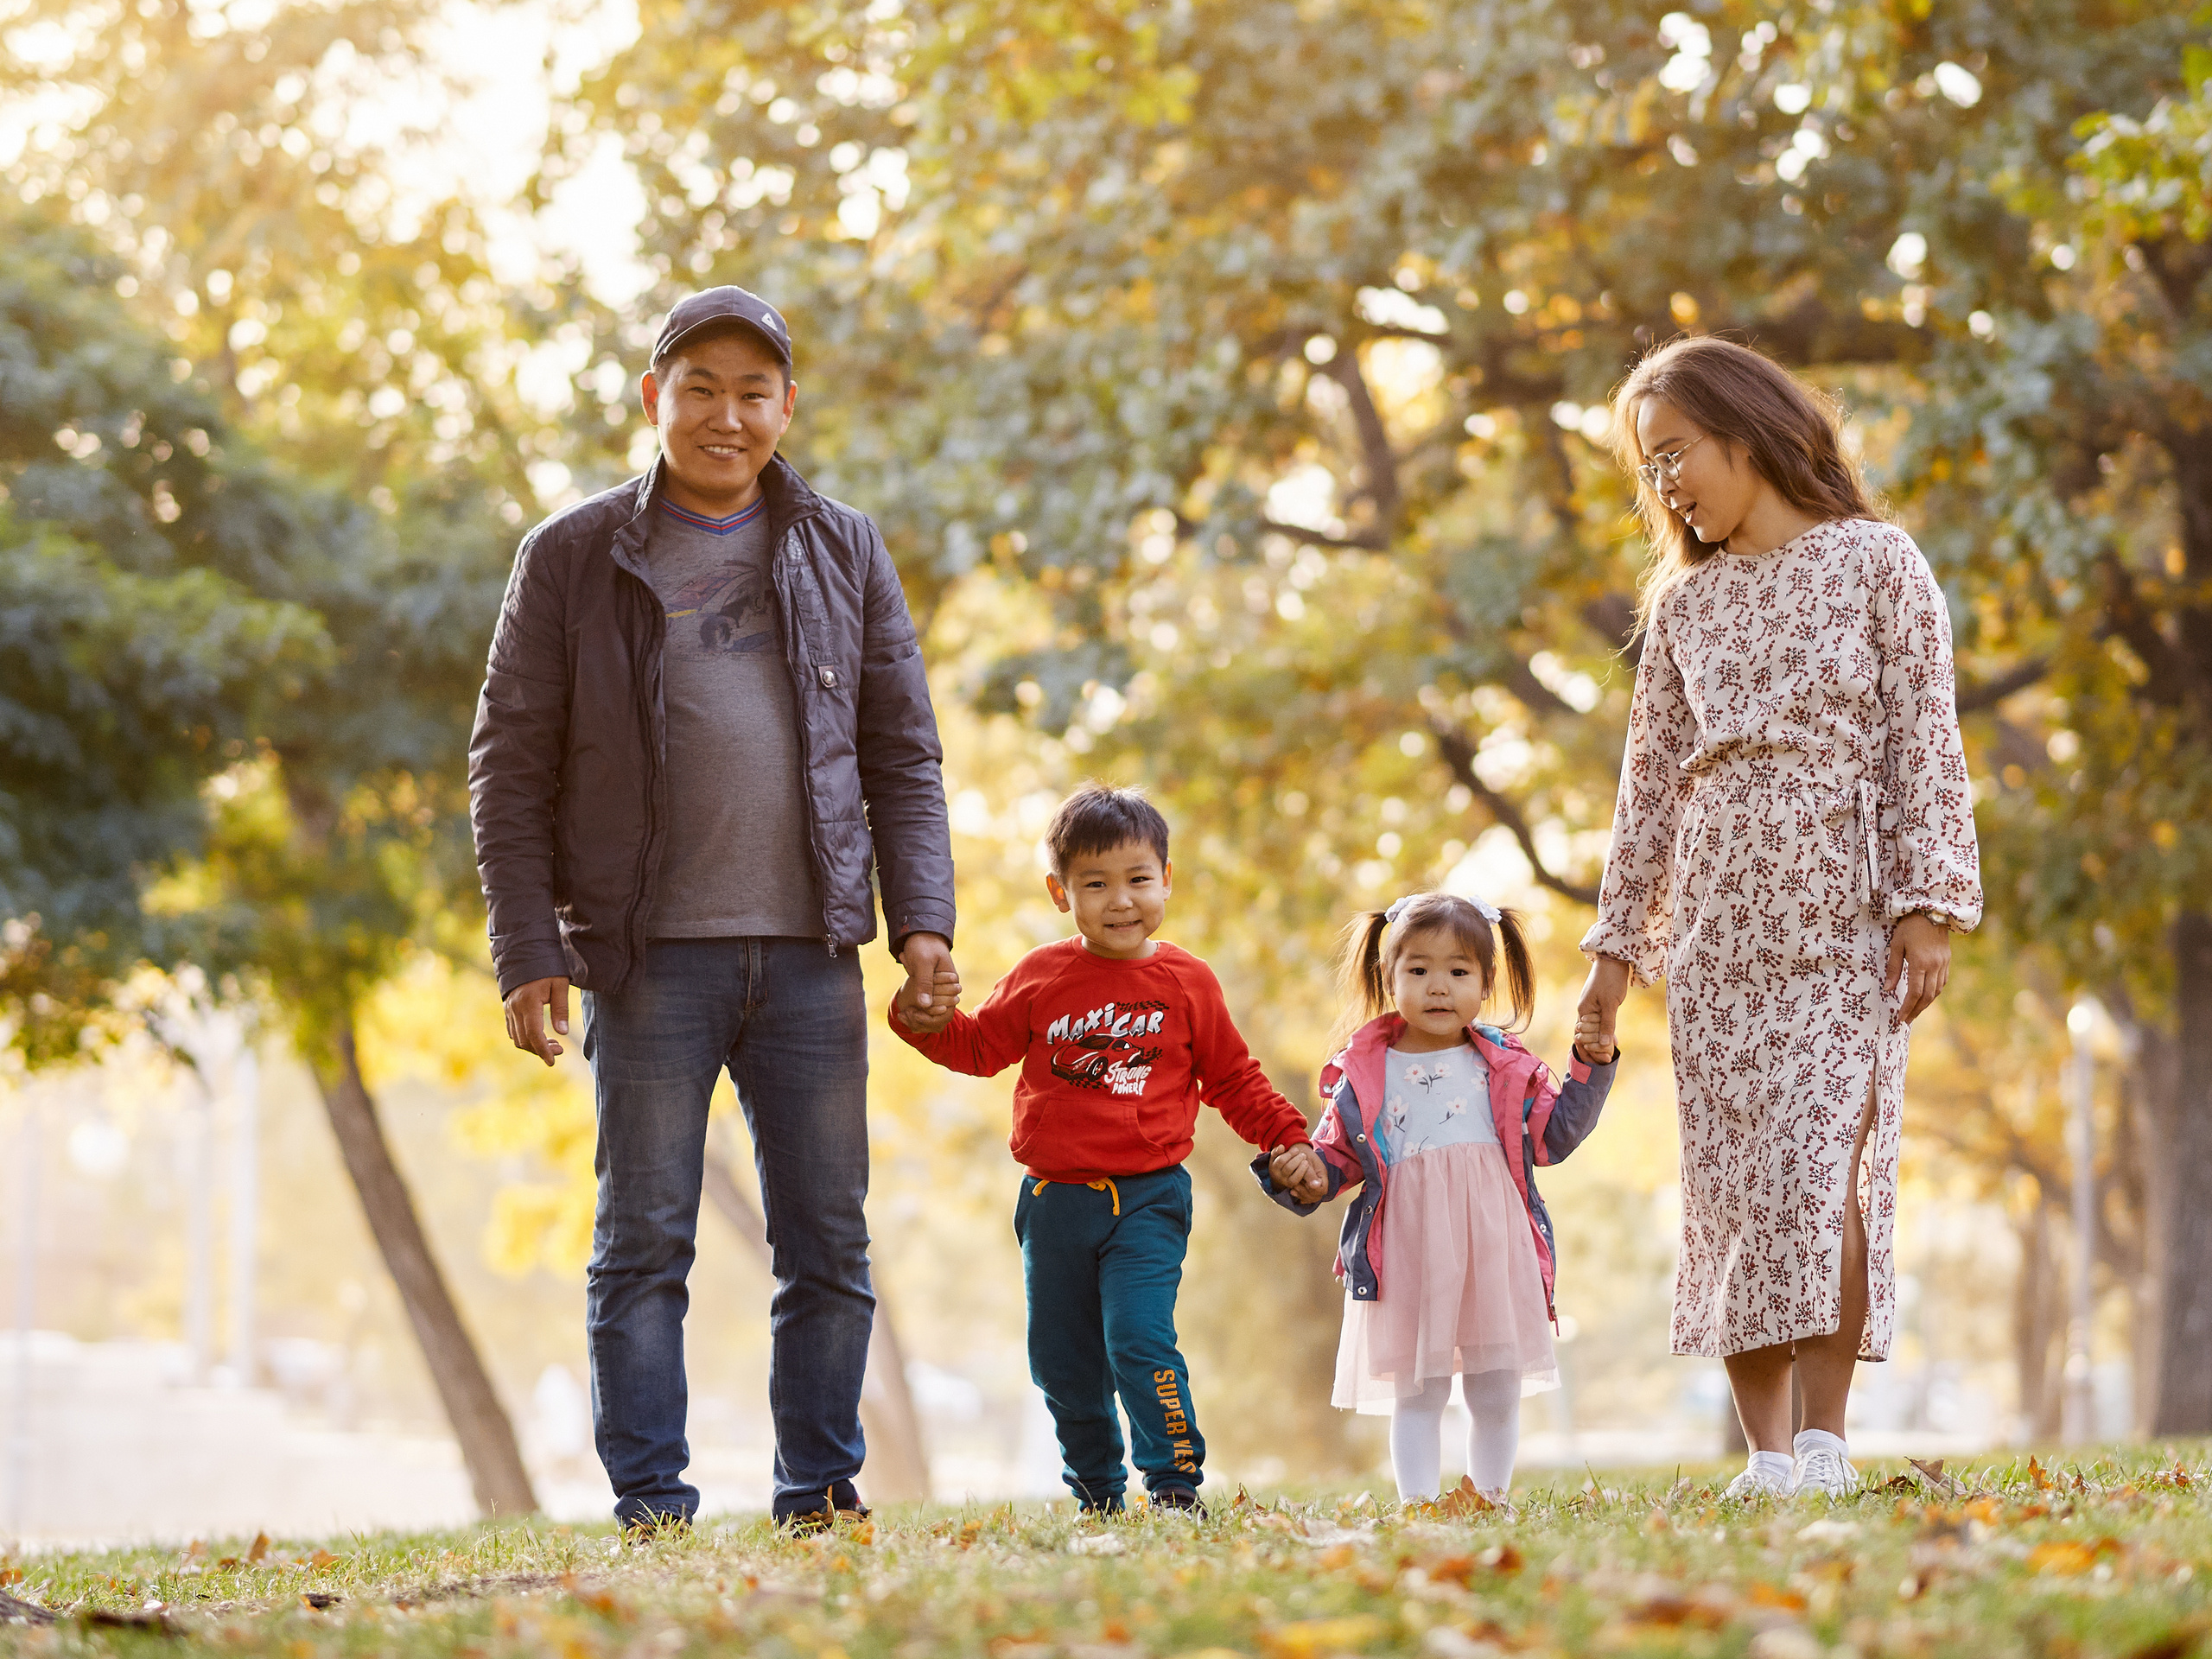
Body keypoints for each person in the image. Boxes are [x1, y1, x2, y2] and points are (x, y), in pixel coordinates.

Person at [467, 285, 961, 1532]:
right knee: (642, 1243)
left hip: (810, 953)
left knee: (829, 1245)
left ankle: (819, 1493)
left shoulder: (846, 548)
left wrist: (924, 924)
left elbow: (903, 754)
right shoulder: (571, 555)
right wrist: (527, 947)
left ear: (787, 408)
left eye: (753, 393)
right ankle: (651, 1503)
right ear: (655, 398)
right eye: (701, 389)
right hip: (644, 962)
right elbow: (508, 767)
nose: (726, 416)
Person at [1575, 335, 1982, 1501]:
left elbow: (1924, 740)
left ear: (1745, 433)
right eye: (1649, 469)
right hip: (1716, 937)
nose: (1665, 485)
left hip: (1839, 926)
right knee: (1736, 1192)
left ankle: (1824, 1442)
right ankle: (1763, 1457)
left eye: (1675, 454)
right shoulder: (1684, 605)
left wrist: (1927, 907)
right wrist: (1614, 956)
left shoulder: (1876, 562)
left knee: (1818, 1174)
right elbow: (1646, 790)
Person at [889, 784, 1323, 1513]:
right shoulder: (1040, 976)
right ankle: (1096, 1490)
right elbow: (978, 1048)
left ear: (1166, 879)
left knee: (1138, 1338)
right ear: (1061, 893)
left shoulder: (1187, 982)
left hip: (1149, 1199)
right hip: (1054, 1205)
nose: (1121, 901)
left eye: (1138, 879)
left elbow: (1234, 1079)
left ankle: (1175, 1482)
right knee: (1063, 1363)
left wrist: (1289, 1138)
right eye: (1095, 884)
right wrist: (922, 1018)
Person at [1260, 892, 1616, 1503]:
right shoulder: (1364, 1074)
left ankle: (1490, 1498)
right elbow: (1336, 1161)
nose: (1438, 987)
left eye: (1458, 971)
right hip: (1411, 1253)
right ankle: (1419, 1505)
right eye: (1419, 969)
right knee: (1419, 1393)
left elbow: (1554, 1138)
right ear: (1389, 977)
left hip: (1491, 1251)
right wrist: (1303, 1172)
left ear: (1486, 983)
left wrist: (1590, 1063)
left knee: (1495, 1391)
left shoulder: (1505, 1067)